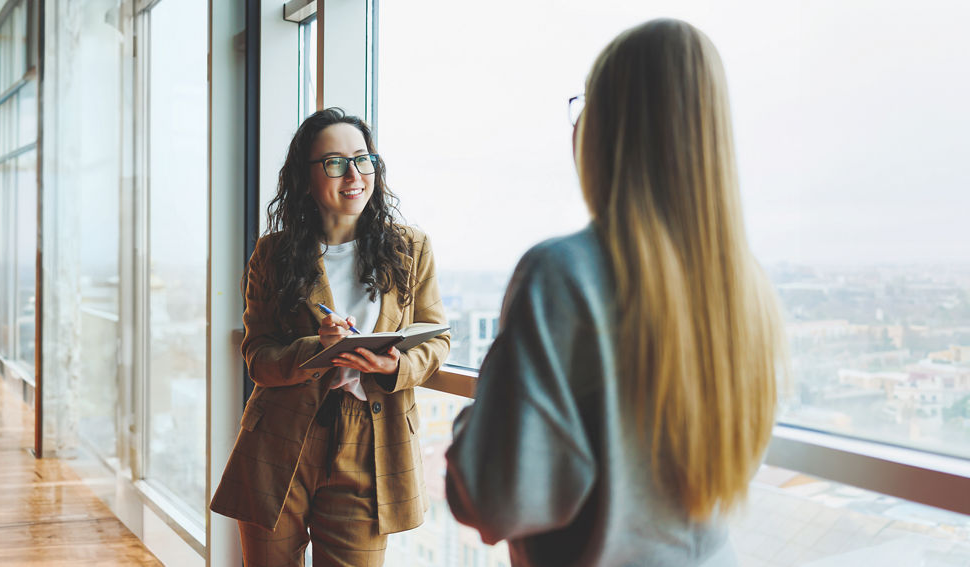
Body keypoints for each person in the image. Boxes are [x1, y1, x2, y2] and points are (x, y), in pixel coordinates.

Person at [445, 19, 787, 566]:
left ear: (610, 128)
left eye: (587, 104)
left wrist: (483, 412)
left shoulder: (563, 275)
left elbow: (493, 500)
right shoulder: (747, 289)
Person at [210, 108, 450, 566]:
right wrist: (315, 349)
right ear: (305, 178)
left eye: (363, 159)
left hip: (371, 441)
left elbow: (436, 341)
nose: (354, 174)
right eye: (335, 162)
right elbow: (257, 356)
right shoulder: (274, 254)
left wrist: (396, 366)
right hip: (279, 436)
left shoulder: (410, 248)